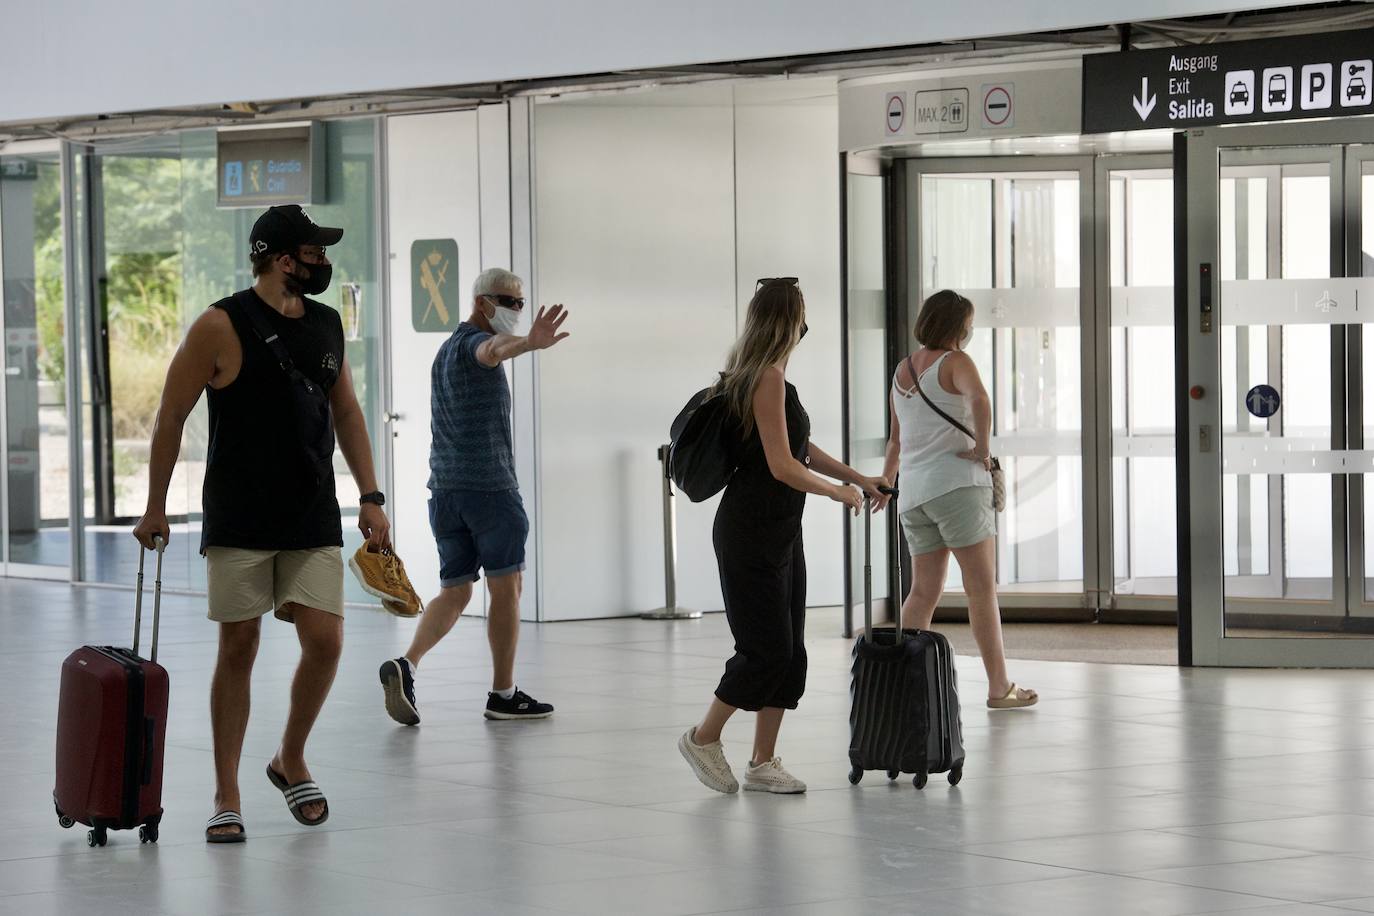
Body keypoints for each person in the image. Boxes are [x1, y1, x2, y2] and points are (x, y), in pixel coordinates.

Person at [133, 205, 393, 843]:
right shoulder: (220, 325)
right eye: (315, 252)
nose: (325, 262)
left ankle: (290, 756)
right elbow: (170, 415)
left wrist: (371, 493)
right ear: (284, 259)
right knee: (239, 648)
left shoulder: (328, 325)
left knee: (327, 642)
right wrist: (155, 504)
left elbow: (349, 412)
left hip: (311, 513)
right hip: (239, 516)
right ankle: (227, 793)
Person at [678, 277, 885, 795]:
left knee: (789, 650)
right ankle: (703, 737)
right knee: (764, 649)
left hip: (778, 532)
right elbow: (782, 465)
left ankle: (762, 761)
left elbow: (803, 448)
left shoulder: (767, 380)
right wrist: (836, 495)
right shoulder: (765, 378)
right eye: (803, 316)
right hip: (750, 532)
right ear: (789, 321)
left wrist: (857, 478)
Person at [379, 268, 569, 726]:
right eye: (509, 301)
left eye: (521, 303)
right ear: (483, 302)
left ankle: (406, 665)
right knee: (508, 588)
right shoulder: (470, 345)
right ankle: (503, 693)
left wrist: (521, 341)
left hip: (444, 490)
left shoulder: (444, 351)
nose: (517, 311)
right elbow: (492, 350)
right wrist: (528, 343)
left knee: (456, 589)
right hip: (489, 490)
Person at [875, 289, 1038, 710]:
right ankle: (999, 687)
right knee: (981, 588)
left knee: (923, 591)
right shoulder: (956, 362)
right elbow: (979, 400)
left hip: (914, 494)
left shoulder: (901, 371)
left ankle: (903, 684)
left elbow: (896, 440)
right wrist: (983, 448)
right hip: (958, 488)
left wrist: (886, 482)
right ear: (958, 326)